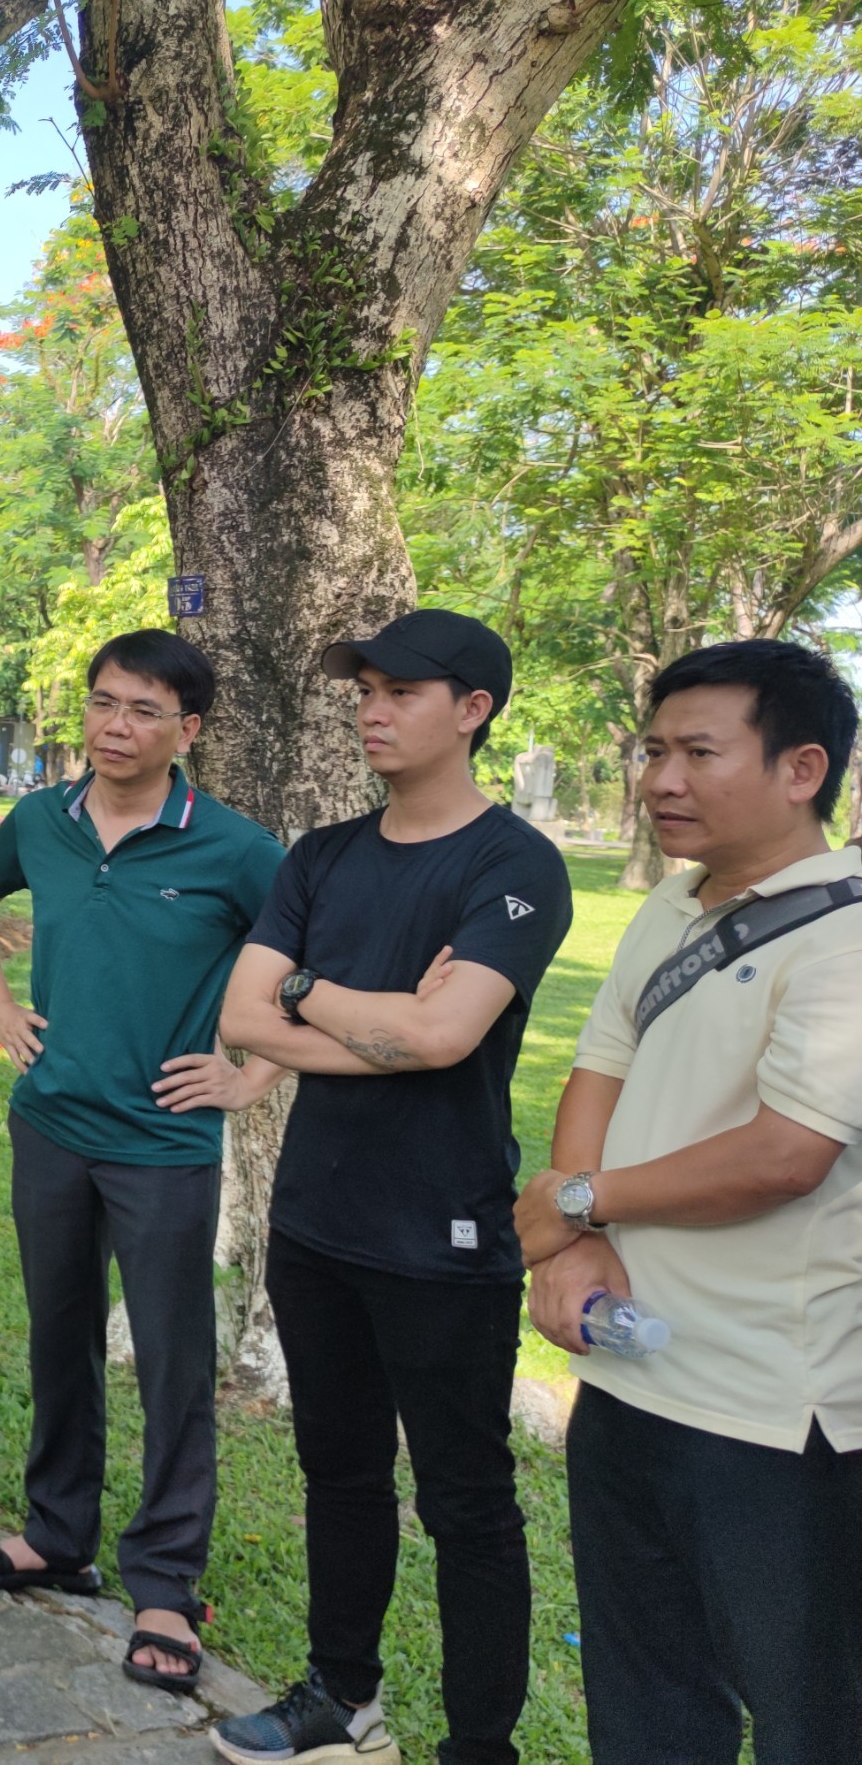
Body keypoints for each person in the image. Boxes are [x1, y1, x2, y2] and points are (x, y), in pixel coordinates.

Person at [211, 610, 572, 1765]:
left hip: (445, 1232)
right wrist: (369, 1007)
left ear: (471, 710)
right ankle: (340, 1699)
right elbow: (238, 1018)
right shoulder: (319, 855)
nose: (372, 707)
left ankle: (479, 1747)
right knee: (339, 1473)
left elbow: (446, 1038)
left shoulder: (512, 864)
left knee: (466, 1501)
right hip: (316, 1219)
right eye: (363, 687)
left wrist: (312, 994)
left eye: (401, 689)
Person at [513, 639, 862, 1763]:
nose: (659, 779)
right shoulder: (671, 908)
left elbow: (785, 1153)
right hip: (630, 1372)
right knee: (646, 1696)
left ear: (801, 768)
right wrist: (571, 1245)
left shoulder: (847, 936)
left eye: (697, 752)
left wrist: (577, 1193)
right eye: (652, 750)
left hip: (775, 1415)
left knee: (811, 1711)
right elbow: (600, 1064)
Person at [0, 631, 288, 1695]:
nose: (114, 727)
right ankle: (58, 1533)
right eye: (101, 704)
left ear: (188, 730)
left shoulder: (234, 849)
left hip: (163, 1146)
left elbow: (306, 975)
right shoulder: (40, 820)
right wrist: (0, 1006)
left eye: (142, 710)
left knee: (175, 1369)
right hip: (49, 1123)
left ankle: (167, 1587)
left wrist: (251, 1076)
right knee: (59, 1338)